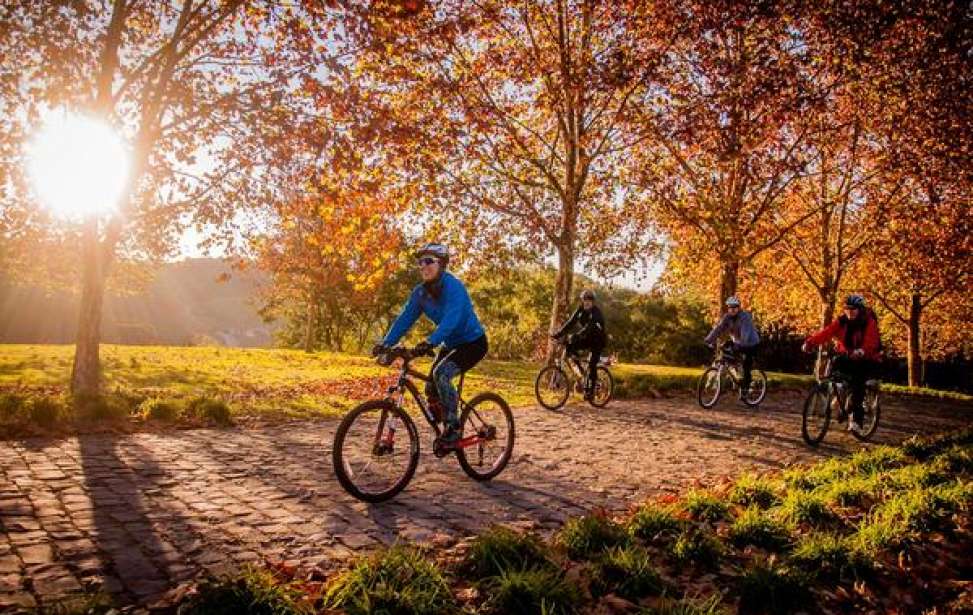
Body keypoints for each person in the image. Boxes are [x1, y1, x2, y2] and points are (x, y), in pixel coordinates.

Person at [372, 243, 487, 446]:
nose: (423, 266)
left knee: (441, 375)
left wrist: (429, 342)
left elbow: (451, 320)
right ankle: (443, 422)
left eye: (428, 261)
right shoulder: (420, 293)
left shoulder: (454, 287)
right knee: (430, 388)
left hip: (473, 343)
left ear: (441, 264)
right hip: (450, 344)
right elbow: (404, 319)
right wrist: (385, 343)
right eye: (420, 262)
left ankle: (453, 428)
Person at [802, 294, 881, 435]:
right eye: (847, 309)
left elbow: (872, 341)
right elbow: (826, 332)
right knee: (835, 369)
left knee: (858, 382)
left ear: (860, 309)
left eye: (853, 309)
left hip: (868, 358)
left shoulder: (868, 322)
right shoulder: (842, 321)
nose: (850, 312)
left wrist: (862, 351)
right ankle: (839, 398)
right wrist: (810, 343)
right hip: (848, 356)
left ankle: (856, 420)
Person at [551, 289, 607, 401]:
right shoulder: (580, 310)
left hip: (598, 341)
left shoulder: (596, 313)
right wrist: (558, 334)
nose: (587, 302)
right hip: (587, 339)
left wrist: (577, 335)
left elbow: (589, 328)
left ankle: (591, 391)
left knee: (592, 365)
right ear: (582, 301)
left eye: (589, 300)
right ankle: (580, 369)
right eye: (585, 300)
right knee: (569, 346)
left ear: (593, 302)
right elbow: (570, 323)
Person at [704, 296, 760, 399]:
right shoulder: (727, 317)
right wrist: (709, 339)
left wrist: (739, 344)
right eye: (730, 307)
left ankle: (745, 389)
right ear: (728, 308)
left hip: (751, 343)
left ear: (739, 308)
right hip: (738, 342)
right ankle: (735, 375)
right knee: (727, 352)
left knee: (746, 365)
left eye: (735, 307)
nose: (732, 309)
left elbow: (745, 334)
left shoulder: (744, 317)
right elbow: (718, 328)